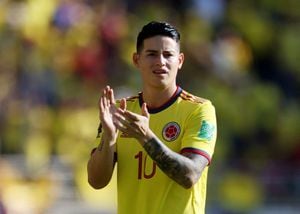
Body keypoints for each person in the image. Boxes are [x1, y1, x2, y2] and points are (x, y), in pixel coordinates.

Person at [87, 21, 217, 214]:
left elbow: (189, 175)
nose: (161, 62)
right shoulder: (121, 111)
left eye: (168, 55)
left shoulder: (198, 110)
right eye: (152, 54)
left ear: (180, 61)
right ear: (136, 60)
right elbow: (96, 181)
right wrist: (109, 138)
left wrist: (145, 136)